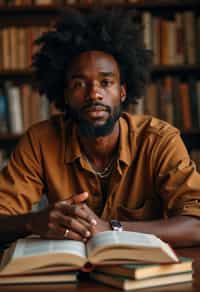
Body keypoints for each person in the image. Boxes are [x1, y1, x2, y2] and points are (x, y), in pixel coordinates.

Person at [0, 8, 200, 247]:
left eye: (106, 82)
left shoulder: (159, 139)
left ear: (122, 92)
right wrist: (33, 222)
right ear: (64, 94)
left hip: (145, 275)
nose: (94, 93)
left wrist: (111, 229)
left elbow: (196, 225)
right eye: (79, 84)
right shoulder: (40, 140)